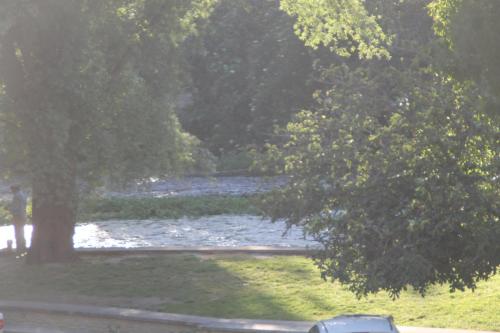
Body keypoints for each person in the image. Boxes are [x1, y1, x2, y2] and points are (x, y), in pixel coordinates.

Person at [10, 185, 27, 252]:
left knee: (17, 232)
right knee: (22, 232)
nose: (11, 191)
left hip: (18, 216)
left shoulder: (16, 196)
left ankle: (19, 248)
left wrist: (9, 208)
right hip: (23, 215)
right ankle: (23, 247)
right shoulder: (23, 195)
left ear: (14, 189)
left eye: (12, 190)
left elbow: (16, 208)